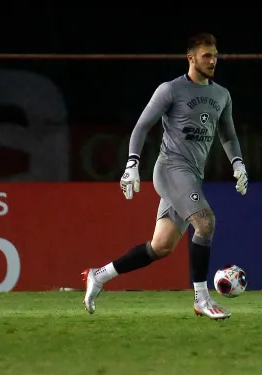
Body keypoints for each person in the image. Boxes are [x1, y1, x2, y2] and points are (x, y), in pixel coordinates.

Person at [81, 33, 248, 320]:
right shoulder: (170, 90)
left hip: (192, 175)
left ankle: (100, 275)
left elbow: (228, 134)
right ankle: (201, 299)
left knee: (161, 247)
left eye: (215, 55)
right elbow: (142, 126)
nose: (213, 60)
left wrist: (238, 163)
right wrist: (132, 163)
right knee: (205, 223)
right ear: (191, 58)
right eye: (207, 55)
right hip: (171, 168)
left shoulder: (221, 95)